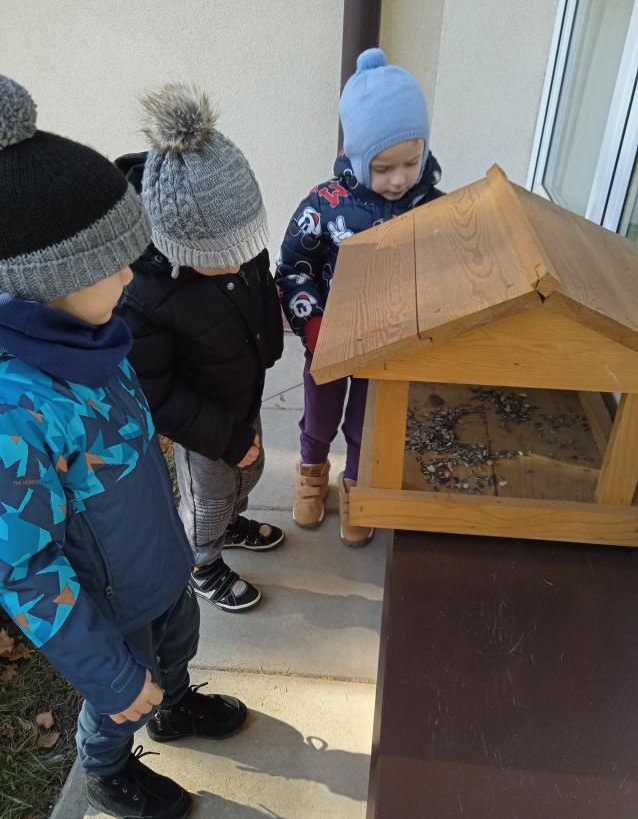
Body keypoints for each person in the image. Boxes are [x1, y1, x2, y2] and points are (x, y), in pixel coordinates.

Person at [0, 75, 248, 819]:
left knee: (178, 646)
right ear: (46, 280)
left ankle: (173, 704)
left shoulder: (96, 336)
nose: (129, 273)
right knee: (123, 699)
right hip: (108, 609)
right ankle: (108, 772)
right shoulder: (16, 411)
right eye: (110, 264)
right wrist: (106, 673)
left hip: (157, 565)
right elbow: (25, 567)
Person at [117, 83, 284, 614]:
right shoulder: (143, 295)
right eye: (221, 258)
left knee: (250, 472)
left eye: (244, 249)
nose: (238, 263)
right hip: (200, 424)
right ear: (177, 247)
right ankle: (202, 561)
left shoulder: (234, 246)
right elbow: (156, 392)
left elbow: (259, 289)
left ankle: (230, 524)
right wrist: (224, 439)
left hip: (241, 393)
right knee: (209, 498)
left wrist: (270, 341)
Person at [276, 48, 444, 547]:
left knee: (366, 424)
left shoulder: (432, 208)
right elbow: (294, 268)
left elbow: (445, 269)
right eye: (383, 166)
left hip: (390, 347)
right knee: (320, 417)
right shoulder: (325, 204)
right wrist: (312, 323)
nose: (399, 178)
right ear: (356, 156)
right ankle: (312, 473)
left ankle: (357, 486)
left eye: (411, 162)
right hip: (329, 340)